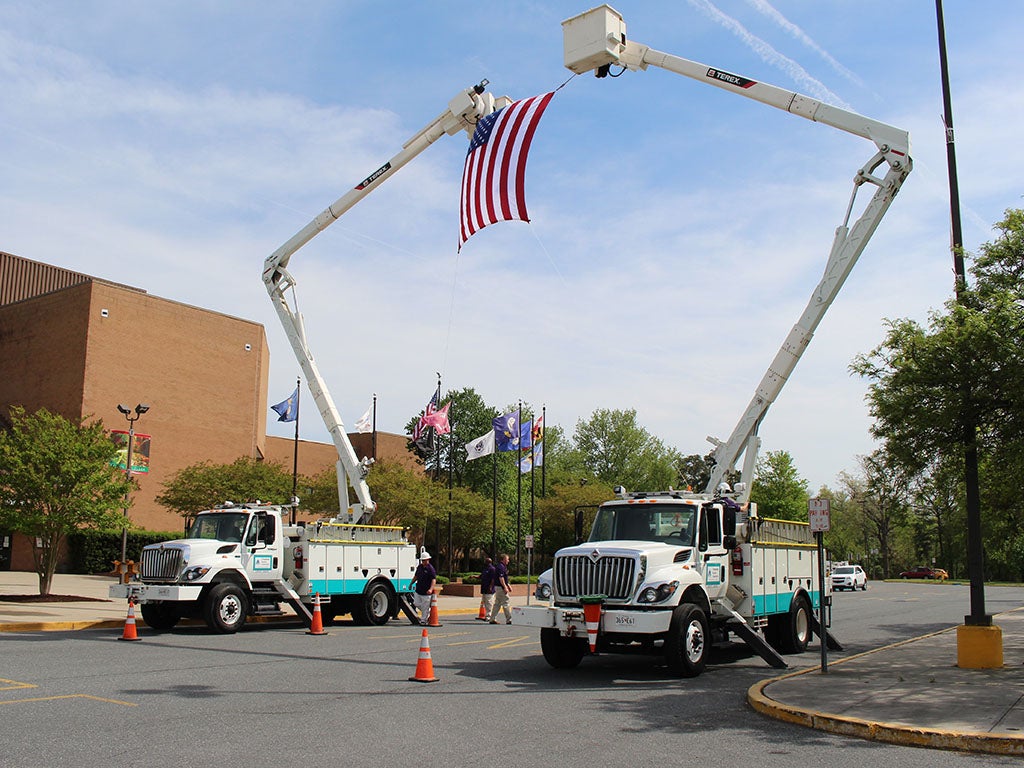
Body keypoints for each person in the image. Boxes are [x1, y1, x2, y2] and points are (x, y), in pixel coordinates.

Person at [411, 550, 436, 626]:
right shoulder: (419, 567)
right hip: (418, 590)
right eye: (422, 560)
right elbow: (416, 576)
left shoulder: (430, 569)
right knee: (416, 603)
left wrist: (431, 589)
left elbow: (433, 580)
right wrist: (411, 583)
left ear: (428, 560)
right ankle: (427, 613)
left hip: (426, 592)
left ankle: (423, 620)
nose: (424, 562)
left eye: (425, 560)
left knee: (425, 606)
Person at [488, 553, 512, 624]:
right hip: (500, 587)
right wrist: (505, 587)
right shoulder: (501, 567)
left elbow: (504, 578)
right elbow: (501, 578)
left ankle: (492, 619)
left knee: (497, 604)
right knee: (506, 602)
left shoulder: (502, 566)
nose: (508, 561)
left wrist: (508, 585)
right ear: (504, 559)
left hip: (498, 587)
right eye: (507, 559)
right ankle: (509, 619)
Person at [478, 557, 496, 621]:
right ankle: (484, 615)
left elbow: (493, 579)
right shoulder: (485, 568)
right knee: (485, 602)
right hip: (484, 588)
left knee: (489, 603)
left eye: (486, 561)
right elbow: (481, 576)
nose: (485, 562)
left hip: (489, 589)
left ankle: (489, 616)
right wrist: (474, 576)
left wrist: (490, 587)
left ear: (489, 562)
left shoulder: (492, 569)